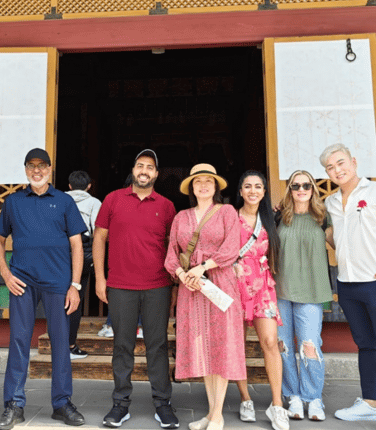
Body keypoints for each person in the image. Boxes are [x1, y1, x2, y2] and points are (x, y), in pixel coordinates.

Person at [0, 148, 88, 429]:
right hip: (22, 281)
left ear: (50, 169)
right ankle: (14, 404)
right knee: (19, 341)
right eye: (31, 165)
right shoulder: (13, 202)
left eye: (42, 165)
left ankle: (62, 403)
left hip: (58, 281)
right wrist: (6, 274)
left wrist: (75, 285)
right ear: (25, 169)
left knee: (60, 342)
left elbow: (76, 245)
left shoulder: (64, 201)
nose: (37, 170)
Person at [320, 144, 376, 430]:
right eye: (330, 168)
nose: (337, 170)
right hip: (347, 283)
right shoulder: (331, 203)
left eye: (340, 163)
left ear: (354, 162)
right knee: (365, 345)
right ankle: (370, 404)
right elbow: (334, 235)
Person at [93, 149, 179, 429]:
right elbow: (100, 238)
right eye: (140, 165)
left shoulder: (166, 206)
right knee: (122, 345)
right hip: (120, 285)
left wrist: (174, 284)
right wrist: (100, 279)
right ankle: (120, 404)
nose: (144, 170)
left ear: (156, 173)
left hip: (158, 285)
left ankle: (163, 404)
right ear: (133, 170)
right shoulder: (113, 199)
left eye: (150, 167)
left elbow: (171, 246)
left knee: (157, 345)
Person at [164, 164, 245, 430]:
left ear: (216, 186)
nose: (203, 185)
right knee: (204, 349)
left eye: (208, 181)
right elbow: (171, 253)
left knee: (220, 346)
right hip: (192, 288)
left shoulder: (227, 212)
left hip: (219, 283)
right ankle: (211, 414)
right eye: (197, 181)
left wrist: (202, 268)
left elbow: (231, 248)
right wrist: (181, 273)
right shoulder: (181, 216)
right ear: (191, 187)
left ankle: (218, 415)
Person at [273, 170, 333, 421]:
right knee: (284, 346)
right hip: (282, 289)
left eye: (306, 185)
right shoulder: (278, 217)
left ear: (313, 189)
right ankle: (293, 396)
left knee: (310, 345)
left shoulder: (323, 218)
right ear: (289, 189)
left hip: (312, 289)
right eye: (295, 185)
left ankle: (313, 397)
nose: (301, 189)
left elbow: (341, 244)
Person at [233, 170, 290, 430]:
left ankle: (277, 404)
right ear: (240, 191)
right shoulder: (230, 217)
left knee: (269, 341)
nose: (253, 191)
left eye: (258, 186)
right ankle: (245, 398)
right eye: (248, 186)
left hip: (263, 284)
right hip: (235, 285)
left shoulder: (271, 218)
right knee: (238, 344)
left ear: (265, 192)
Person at [66, 170, 102, 359]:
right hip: (85, 253)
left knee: (58, 300)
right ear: (89, 186)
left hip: (60, 254)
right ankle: (70, 345)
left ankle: (59, 344)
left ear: (69, 186)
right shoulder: (95, 203)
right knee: (76, 299)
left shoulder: (60, 199)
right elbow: (98, 232)